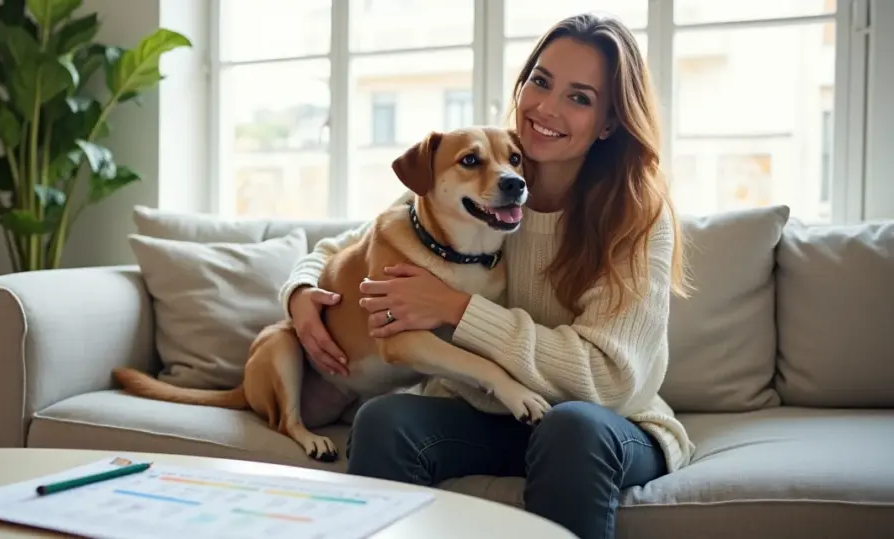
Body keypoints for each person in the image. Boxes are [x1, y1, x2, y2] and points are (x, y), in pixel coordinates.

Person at [277, 13, 695, 539]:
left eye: (579, 97)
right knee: (384, 419)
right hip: (492, 412)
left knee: (570, 426)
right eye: (540, 81)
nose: (547, 107)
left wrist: (456, 309)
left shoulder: (634, 218)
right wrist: (300, 294)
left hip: (610, 423)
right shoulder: (473, 181)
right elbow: (350, 244)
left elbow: (608, 382)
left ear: (609, 122)